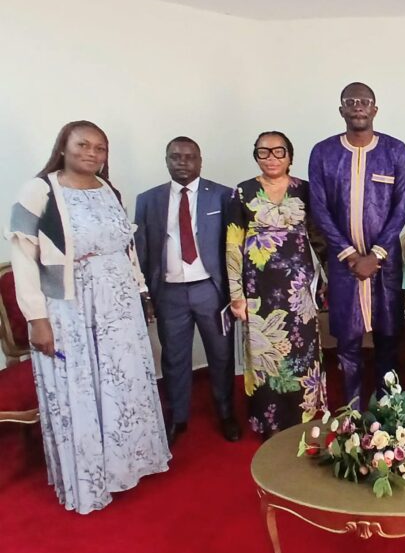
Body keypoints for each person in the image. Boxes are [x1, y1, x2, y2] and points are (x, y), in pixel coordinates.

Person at [7, 120, 170, 514]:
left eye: (100, 147)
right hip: (71, 305)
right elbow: (23, 257)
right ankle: (91, 479)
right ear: (63, 146)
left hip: (119, 305)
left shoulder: (109, 189)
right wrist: (37, 318)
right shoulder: (40, 190)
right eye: (82, 144)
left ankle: (129, 464)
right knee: (81, 384)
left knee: (123, 381)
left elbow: (127, 250)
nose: (91, 153)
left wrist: (142, 293)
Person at [308, 82, 405, 410]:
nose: (358, 106)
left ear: (375, 109)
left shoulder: (395, 151)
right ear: (341, 109)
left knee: (388, 339)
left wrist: (376, 254)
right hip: (344, 266)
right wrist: (351, 255)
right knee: (348, 342)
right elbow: (319, 209)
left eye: (364, 101)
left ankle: (389, 412)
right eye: (350, 101)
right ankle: (351, 412)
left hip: (385, 265)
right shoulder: (323, 153)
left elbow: (401, 208)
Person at [134, 136, 239, 445]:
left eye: (189, 156)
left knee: (221, 355)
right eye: (175, 156)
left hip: (211, 290)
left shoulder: (223, 195)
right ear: (166, 160)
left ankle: (226, 413)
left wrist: (235, 290)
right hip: (169, 293)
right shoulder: (148, 200)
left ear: (200, 161)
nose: (182, 162)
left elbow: (233, 246)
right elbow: (141, 249)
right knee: (174, 358)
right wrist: (144, 294)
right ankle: (177, 417)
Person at [226, 131, 327, 437]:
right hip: (258, 291)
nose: (271, 158)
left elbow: (319, 238)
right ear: (256, 156)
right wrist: (236, 294)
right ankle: (269, 422)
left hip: (299, 291)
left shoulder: (305, 190)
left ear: (290, 156)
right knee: (264, 356)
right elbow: (233, 245)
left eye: (278, 151)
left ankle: (305, 416)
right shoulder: (242, 192)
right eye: (263, 152)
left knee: (302, 352)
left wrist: (330, 281)